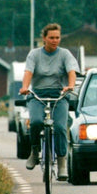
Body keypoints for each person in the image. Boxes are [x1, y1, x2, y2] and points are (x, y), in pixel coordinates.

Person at [19, 23, 80, 180]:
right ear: (44, 38)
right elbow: (28, 72)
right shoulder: (34, 55)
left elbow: (71, 72)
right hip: (38, 95)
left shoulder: (65, 54)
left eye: (57, 37)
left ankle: (61, 163)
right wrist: (25, 87)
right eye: (51, 37)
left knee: (60, 127)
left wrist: (70, 86)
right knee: (36, 122)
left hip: (59, 95)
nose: (55, 40)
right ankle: (34, 151)